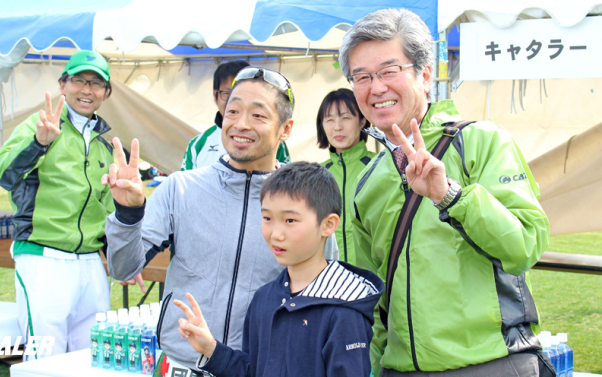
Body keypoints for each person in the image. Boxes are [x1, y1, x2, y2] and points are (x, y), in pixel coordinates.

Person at [339, 9, 552, 376]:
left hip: (491, 362)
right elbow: (368, 296)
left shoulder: (481, 140)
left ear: (424, 75)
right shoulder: (368, 180)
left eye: (390, 71)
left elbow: (525, 245)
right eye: (362, 76)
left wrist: (449, 194)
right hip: (400, 369)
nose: (376, 88)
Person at [103, 67, 338, 374]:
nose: (241, 124)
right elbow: (123, 267)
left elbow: (323, 301)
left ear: (286, 129)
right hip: (182, 366)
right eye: (233, 111)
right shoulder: (181, 188)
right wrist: (128, 214)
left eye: (258, 115)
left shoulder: (305, 203)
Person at [173, 162, 384, 377]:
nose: (276, 234)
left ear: (328, 224)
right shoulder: (264, 299)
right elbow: (255, 370)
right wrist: (211, 349)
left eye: (290, 220)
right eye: (267, 218)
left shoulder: (344, 309)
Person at [0, 50, 117, 360]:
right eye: (78, 80)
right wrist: (38, 143)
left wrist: (122, 256)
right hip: (43, 257)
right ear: (63, 85)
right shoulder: (41, 124)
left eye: (96, 83)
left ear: (105, 93)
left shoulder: (103, 144)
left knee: (93, 357)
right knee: (45, 358)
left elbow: (108, 209)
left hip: (89, 263)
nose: (87, 90)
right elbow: (2, 174)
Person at [180, 60, 290, 170]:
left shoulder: (273, 139)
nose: (242, 125)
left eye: (257, 115)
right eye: (227, 93)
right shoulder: (198, 144)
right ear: (215, 96)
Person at [317, 88, 377, 264]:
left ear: (362, 120)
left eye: (346, 118)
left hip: (372, 277)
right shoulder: (315, 175)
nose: (337, 127)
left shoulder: (379, 166)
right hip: (327, 277)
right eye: (329, 120)